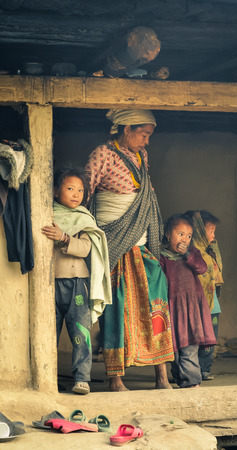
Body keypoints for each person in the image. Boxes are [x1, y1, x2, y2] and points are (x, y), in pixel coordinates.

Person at [85, 109, 174, 392]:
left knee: (156, 305)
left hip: (142, 243)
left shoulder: (141, 157)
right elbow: (85, 195)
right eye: (143, 134)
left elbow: (145, 197)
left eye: (149, 135)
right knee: (117, 307)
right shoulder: (102, 154)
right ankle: (115, 378)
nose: (146, 142)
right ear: (126, 128)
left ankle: (162, 376)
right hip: (114, 242)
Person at [42, 168, 111, 394]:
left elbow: (84, 248)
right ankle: (46, 379)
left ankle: (82, 378)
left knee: (80, 332)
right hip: (49, 283)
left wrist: (63, 237)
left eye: (80, 190)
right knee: (47, 332)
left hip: (77, 283)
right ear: (55, 191)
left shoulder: (83, 219)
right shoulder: (45, 214)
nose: (76, 194)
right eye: (70, 188)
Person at [160, 214, 216, 388]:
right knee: (174, 349)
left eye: (189, 236)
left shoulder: (192, 254)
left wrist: (188, 255)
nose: (185, 239)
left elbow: (202, 267)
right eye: (180, 234)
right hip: (172, 308)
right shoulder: (161, 257)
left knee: (190, 345)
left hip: (191, 308)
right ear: (168, 234)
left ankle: (192, 382)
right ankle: (180, 378)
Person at [185, 209, 224, 381]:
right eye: (210, 231)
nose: (213, 235)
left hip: (212, 304)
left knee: (210, 337)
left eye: (214, 231)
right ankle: (188, 370)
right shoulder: (190, 253)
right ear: (199, 230)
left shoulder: (210, 250)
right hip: (194, 304)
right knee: (192, 338)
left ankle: (204, 369)